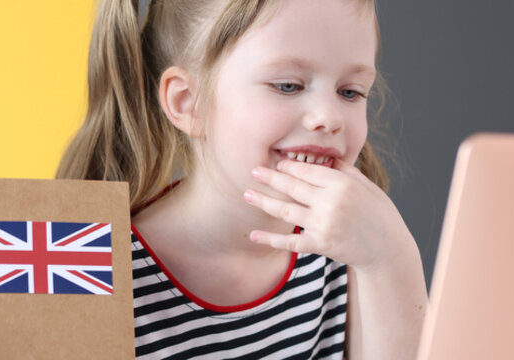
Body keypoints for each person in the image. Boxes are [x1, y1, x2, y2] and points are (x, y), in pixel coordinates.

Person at [56, 0, 428, 358]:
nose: (329, 118)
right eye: (288, 86)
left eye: (350, 92)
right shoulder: (91, 272)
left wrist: (391, 261)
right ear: (189, 102)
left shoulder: (351, 247)